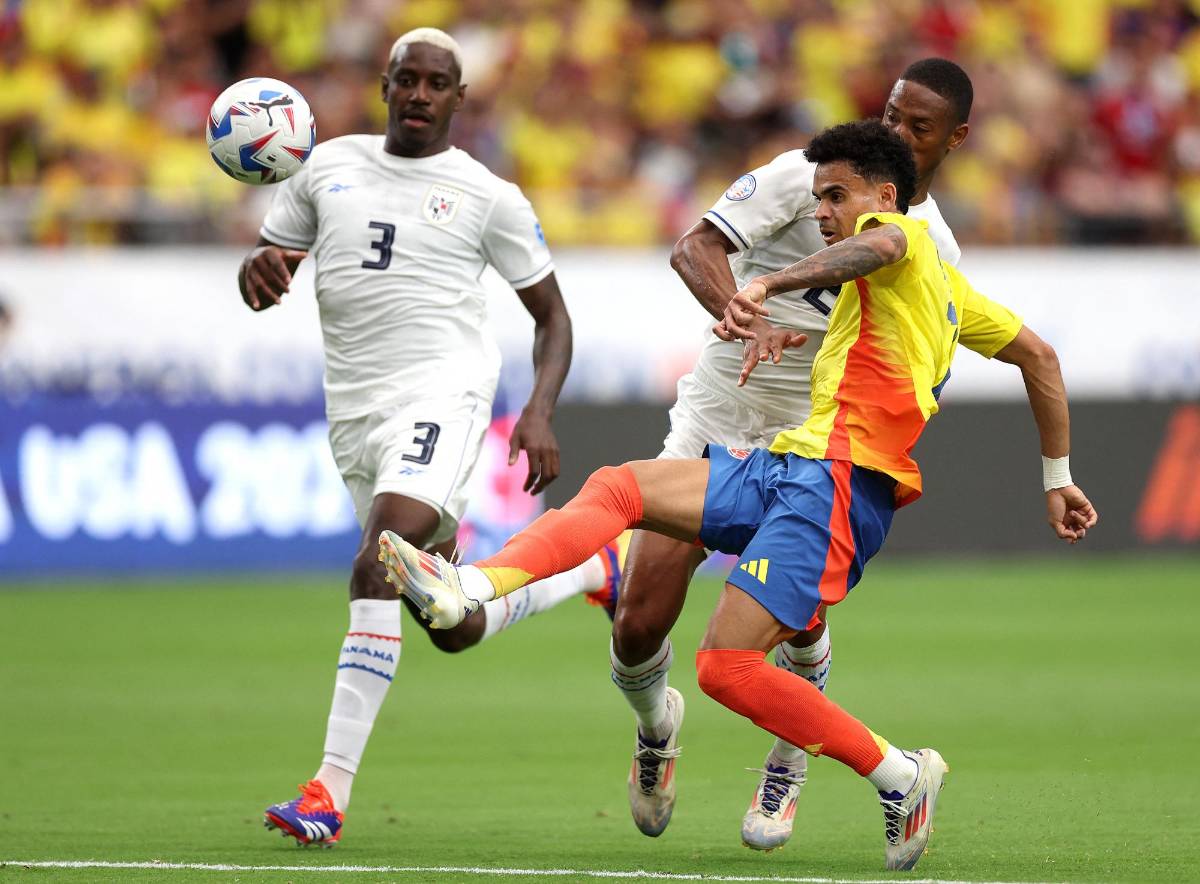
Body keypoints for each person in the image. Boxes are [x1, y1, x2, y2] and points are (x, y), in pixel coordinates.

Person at [378, 119, 1098, 873]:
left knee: (725, 666)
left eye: (835, 196)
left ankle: (899, 773)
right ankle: (470, 588)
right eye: (818, 196)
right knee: (619, 486)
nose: (820, 211)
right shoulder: (952, 290)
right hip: (794, 464)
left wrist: (772, 281)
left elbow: (878, 245)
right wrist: (1059, 477)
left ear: (887, 196)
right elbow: (1040, 358)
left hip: (839, 488)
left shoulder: (902, 237)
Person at [241, 28, 620, 847]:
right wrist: (257, 272)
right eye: (405, 79)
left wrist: (541, 409)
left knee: (380, 558)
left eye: (435, 83)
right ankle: (588, 569)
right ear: (385, 86)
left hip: (442, 397)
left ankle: (326, 793)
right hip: (355, 417)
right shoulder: (322, 167)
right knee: (451, 622)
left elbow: (552, 317)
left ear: (459, 97)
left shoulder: (489, 195)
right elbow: (273, 265)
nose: (419, 94)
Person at [609, 57, 970, 848]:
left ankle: (789, 764)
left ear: (954, 140)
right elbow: (693, 249)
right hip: (723, 402)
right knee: (637, 624)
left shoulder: (933, 247)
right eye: (892, 113)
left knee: (785, 621)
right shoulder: (803, 175)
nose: (896, 133)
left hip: (815, 435)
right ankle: (655, 727)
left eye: (918, 127)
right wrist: (739, 311)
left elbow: (924, 369)